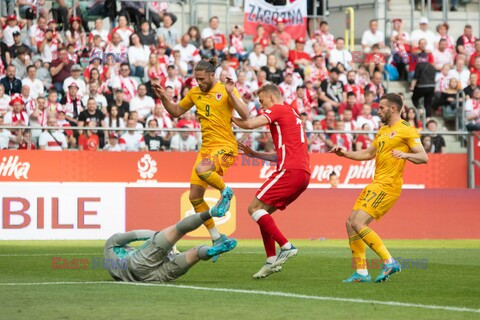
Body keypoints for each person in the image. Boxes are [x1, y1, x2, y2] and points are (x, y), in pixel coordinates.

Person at [152, 57, 249, 262]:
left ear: (212, 76)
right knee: (195, 197)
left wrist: (231, 93)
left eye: (202, 79)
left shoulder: (226, 90)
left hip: (225, 146)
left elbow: (246, 114)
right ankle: (218, 238)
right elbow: (177, 111)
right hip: (206, 149)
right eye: (196, 79)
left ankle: (226, 192)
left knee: (202, 170)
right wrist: (163, 98)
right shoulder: (195, 93)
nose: (199, 83)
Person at [330, 93, 428, 283]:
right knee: (350, 223)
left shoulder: (407, 130)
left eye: (381, 108)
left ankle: (389, 261)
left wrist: (405, 155)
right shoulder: (383, 130)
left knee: (359, 222)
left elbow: (423, 157)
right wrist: (345, 154)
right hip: (377, 183)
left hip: (389, 185)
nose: (378, 110)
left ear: (393, 109)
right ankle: (361, 272)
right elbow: (368, 153)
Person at [232, 83, 311, 279]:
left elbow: (249, 124)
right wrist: (256, 154)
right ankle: (270, 260)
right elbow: (281, 154)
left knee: (253, 208)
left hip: (289, 171)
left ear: (272, 97)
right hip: (302, 174)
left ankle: (286, 246)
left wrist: (227, 118)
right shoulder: (292, 113)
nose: (261, 106)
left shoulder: (278, 109)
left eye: (262, 101)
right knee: (262, 213)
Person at [104, 207, 237, 282]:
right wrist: (160, 236)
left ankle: (209, 251)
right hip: (137, 263)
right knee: (178, 230)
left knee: (195, 253)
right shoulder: (112, 242)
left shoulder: (113, 265)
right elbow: (136, 235)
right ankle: (211, 212)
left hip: (151, 278)